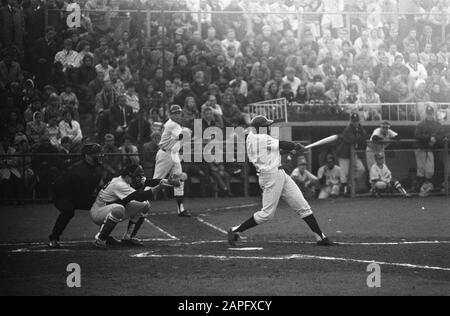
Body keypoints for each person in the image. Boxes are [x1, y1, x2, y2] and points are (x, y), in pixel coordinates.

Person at [227, 116, 336, 247]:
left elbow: (276, 150)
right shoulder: (260, 138)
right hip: (271, 177)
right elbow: (282, 144)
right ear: (260, 128)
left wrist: (293, 149)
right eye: (266, 126)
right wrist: (296, 146)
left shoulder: (252, 136)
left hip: (279, 174)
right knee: (266, 214)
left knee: (303, 206)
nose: (269, 128)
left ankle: (320, 237)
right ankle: (235, 230)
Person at [90, 164, 180, 248]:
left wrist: (169, 181)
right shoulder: (119, 184)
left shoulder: (127, 179)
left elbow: (150, 181)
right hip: (98, 212)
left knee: (145, 205)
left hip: (110, 208)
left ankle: (128, 238)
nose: (139, 179)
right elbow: (141, 196)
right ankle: (100, 240)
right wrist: (160, 187)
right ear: (127, 176)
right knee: (119, 209)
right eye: (137, 177)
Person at [48, 144, 104, 248]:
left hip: (80, 196)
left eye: (98, 153)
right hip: (63, 196)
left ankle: (104, 236)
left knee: (104, 205)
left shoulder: (97, 168)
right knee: (68, 211)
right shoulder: (76, 169)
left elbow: (98, 186)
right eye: (94, 154)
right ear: (87, 156)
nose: (98, 156)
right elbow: (58, 186)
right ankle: (54, 238)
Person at [152, 105, 191, 217]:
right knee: (156, 181)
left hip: (173, 154)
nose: (178, 115)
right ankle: (139, 203)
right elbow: (181, 136)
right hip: (165, 154)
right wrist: (187, 131)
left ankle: (181, 209)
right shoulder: (172, 124)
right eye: (175, 113)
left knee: (179, 181)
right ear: (171, 114)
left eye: (179, 113)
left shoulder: (176, 124)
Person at [414, 105, 446, 194]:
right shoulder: (421, 124)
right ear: (425, 114)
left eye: (431, 114)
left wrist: (435, 138)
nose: (429, 115)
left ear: (433, 114)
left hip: (432, 149)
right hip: (421, 148)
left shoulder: (437, 124)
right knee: (421, 170)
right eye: (428, 114)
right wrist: (429, 138)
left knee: (430, 171)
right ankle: (419, 188)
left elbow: (443, 134)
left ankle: (429, 186)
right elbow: (416, 135)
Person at [336, 113, 368, 196]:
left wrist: (359, 138)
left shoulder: (359, 128)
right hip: (344, 153)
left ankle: (351, 183)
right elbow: (352, 140)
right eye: (354, 121)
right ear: (351, 121)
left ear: (359, 121)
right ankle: (345, 191)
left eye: (356, 121)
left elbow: (365, 136)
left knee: (361, 169)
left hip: (353, 153)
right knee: (344, 173)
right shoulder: (348, 129)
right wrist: (359, 138)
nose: (355, 123)